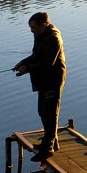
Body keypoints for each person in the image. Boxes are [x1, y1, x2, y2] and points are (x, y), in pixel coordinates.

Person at [14, 12, 66, 161]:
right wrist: (23, 63)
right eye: (30, 28)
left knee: (49, 113)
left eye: (34, 27)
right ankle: (52, 142)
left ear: (43, 25)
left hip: (53, 79)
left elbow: (47, 63)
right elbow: (36, 56)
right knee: (42, 111)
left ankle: (47, 149)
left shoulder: (53, 38)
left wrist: (28, 69)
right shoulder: (39, 35)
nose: (32, 30)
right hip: (43, 79)